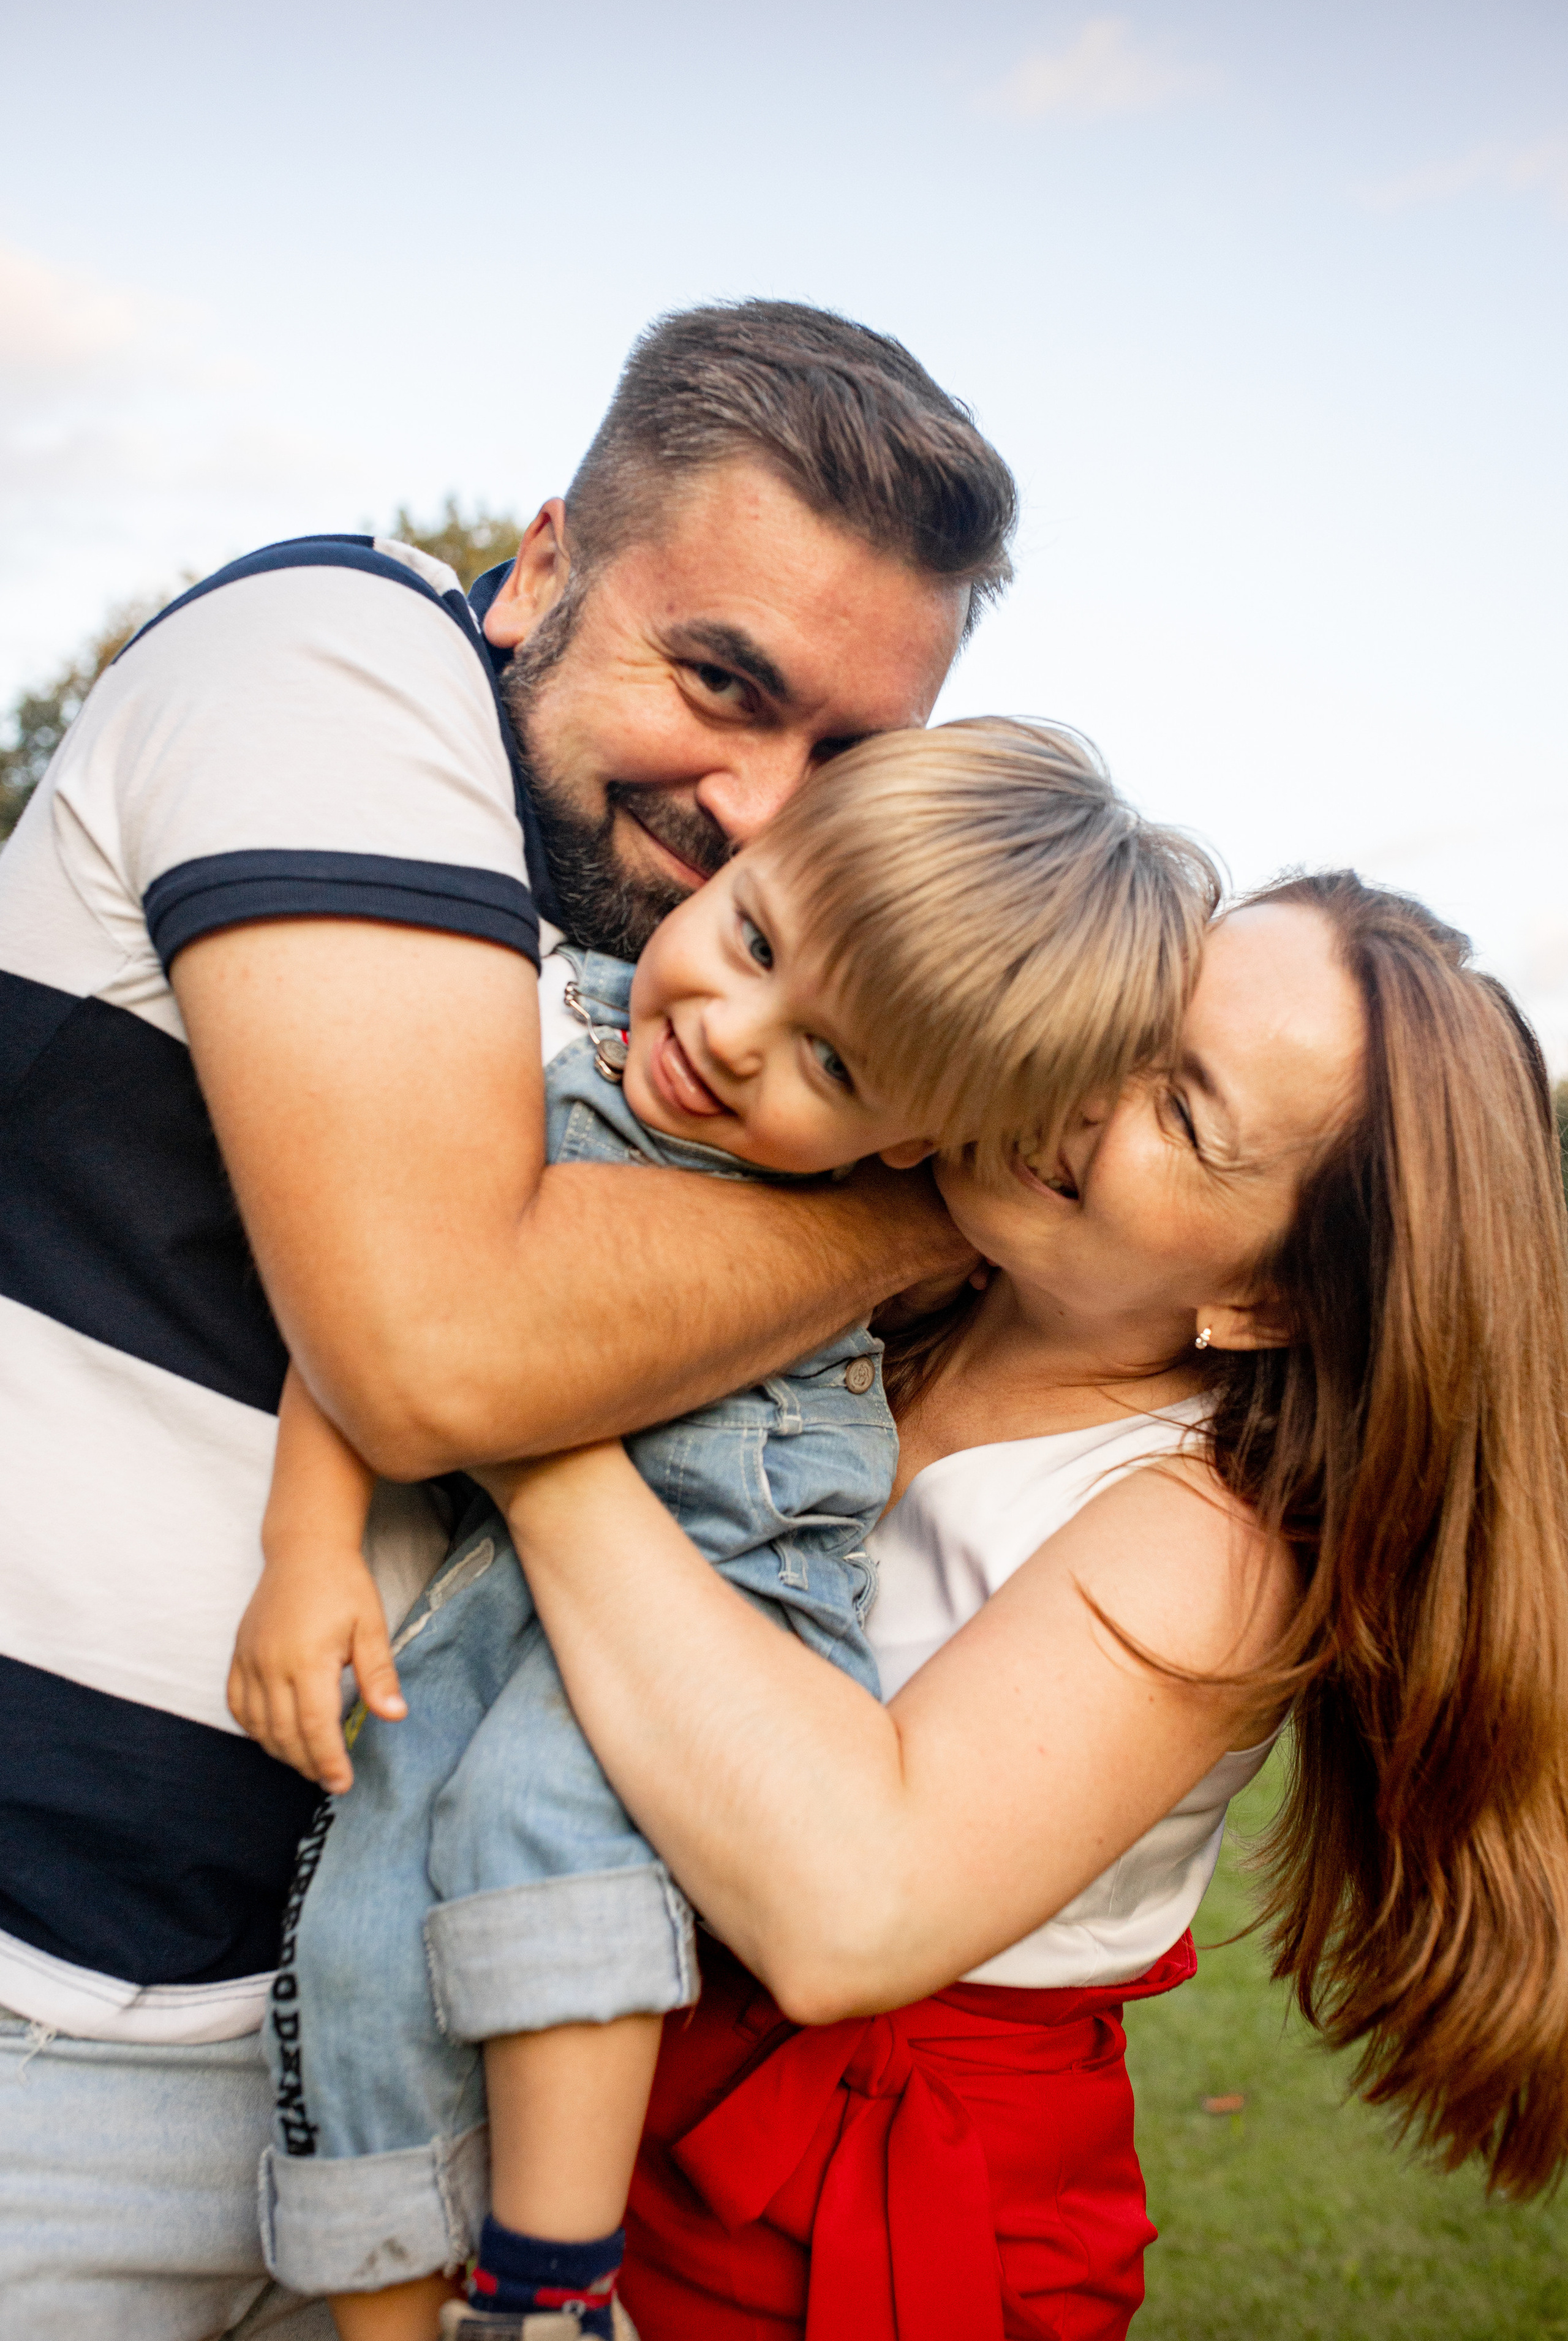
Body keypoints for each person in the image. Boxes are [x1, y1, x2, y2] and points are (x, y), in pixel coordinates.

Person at [0, 302, 1017, 2339]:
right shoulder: (338, 665)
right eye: (721, 680)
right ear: (544, 563)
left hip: (384, 2057)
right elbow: (435, 1349)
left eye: (846, 758)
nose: (763, 804)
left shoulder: (668, 990)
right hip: (64, 2042)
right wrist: (916, 1212)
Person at [228, 720, 1216, 2341]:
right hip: (489, 1602)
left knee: (555, 1817)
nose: (735, 1035)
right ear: (741, 862)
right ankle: (385, 2316)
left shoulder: (886, 1247)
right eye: (752, 939)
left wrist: (508, 1403)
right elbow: (384, 1311)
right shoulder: (545, 1038)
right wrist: (308, 1549)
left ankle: (548, 2290)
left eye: (834, 1064)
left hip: (723, 1581)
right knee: (361, 1910)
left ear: (916, 1143)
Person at [487, 874, 1568, 2338]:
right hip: (583, 2044)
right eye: (1131, 1023)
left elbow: (848, 1915)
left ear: (1273, 1301)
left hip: (840, 2216)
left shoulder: (1215, 1539)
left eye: (1181, 1112)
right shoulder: (877, 1272)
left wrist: (517, 1409)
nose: (1088, 1086)